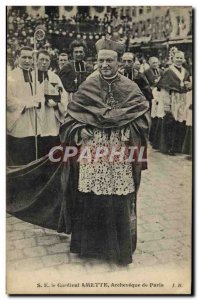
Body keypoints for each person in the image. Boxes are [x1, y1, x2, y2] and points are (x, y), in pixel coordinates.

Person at [58, 38, 150, 265]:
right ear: (96, 61)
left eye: (110, 60)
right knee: (91, 196)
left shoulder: (131, 88)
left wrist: (129, 130)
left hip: (118, 151)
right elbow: (70, 118)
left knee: (116, 198)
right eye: (101, 60)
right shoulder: (88, 86)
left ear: (119, 62)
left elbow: (143, 119)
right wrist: (80, 131)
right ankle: (90, 248)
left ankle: (116, 250)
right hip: (94, 150)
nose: (105, 64)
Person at [154, 50, 192, 155]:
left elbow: (187, 85)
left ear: (183, 59)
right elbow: (164, 89)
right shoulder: (168, 71)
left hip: (182, 99)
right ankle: (168, 147)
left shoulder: (186, 71)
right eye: (177, 58)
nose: (179, 60)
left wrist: (188, 85)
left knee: (179, 123)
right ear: (173, 59)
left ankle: (177, 147)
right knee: (169, 122)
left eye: (181, 58)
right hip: (171, 98)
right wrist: (166, 105)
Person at [7, 46, 40, 165]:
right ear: (17, 58)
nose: (27, 61)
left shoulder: (35, 75)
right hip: (19, 124)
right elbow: (7, 99)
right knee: (20, 160)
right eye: (24, 57)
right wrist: (26, 104)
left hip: (34, 125)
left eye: (30, 58)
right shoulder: (10, 76)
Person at [34, 49, 68, 158]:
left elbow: (63, 95)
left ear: (50, 62)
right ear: (36, 61)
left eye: (46, 60)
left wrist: (57, 104)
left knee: (51, 148)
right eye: (41, 59)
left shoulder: (55, 77)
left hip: (51, 118)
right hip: (35, 117)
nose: (44, 62)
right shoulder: (30, 77)